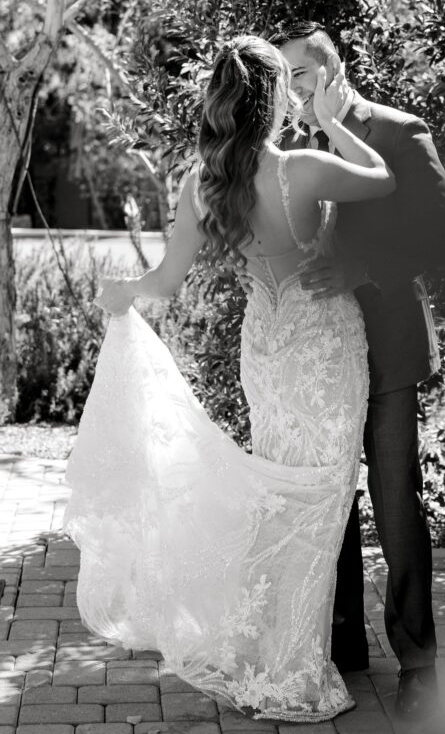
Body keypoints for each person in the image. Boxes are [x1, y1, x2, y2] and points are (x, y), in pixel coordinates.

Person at [63, 36, 396, 724]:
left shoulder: (201, 183)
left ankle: (270, 650)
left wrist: (121, 292)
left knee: (278, 498)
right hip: (323, 348)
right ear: (274, 101)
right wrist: (333, 122)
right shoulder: (303, 169)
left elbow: (164, 283)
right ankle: (294, 665)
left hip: (266, 357)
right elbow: (382, 178)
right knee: (321, 502)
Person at [270, 20, 445, 723]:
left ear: (334, 69)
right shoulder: (283, 146)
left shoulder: (398, 130)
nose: (293, 92)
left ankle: (418, 664)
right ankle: (342, 643)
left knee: (394, 500)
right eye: (283, 80)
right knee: (326, 499)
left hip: (387, 347)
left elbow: (438, 227)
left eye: (302, 76)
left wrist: (362, 270)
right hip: (316, 354)